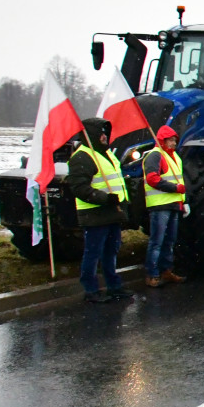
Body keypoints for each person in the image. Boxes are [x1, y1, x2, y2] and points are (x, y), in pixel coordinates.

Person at [66, 118, 132, 303]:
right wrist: (104, 199)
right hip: (95, 214)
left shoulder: (108, 154)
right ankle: (91, 289)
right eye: (101, 133)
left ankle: (114, 286)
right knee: (93, 253)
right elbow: (79, 188)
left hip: (112, 213)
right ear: (92, 135)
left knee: (111, 251)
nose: (105, 136)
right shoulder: (82, 157)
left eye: (106, 133)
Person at [142, 125, 188, 287]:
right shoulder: (155, 156)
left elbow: (178, 181)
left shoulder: (174, 157)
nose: (174, 143)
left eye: (175, 140)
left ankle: (165, 271)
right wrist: (175, 189)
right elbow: (152, 179)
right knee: (158, 241)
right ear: (162, 141)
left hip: (173, 204)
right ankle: (152, 274)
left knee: (168, 241)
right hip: (160, 205)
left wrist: (183, 201)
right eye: (171, 140)